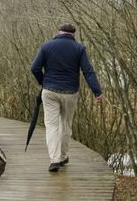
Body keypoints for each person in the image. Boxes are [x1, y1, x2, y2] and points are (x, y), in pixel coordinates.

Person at [30, 23, 103, 172]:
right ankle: (63, 156)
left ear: (58, 31)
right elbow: (88, 71)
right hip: (70, 92)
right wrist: (97, 92)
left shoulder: (46, 46)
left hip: (49, 91)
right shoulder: (79, 49)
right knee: (65, 124)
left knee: (51, 126)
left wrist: (43, 82)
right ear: (73, 34)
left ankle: (55, 159)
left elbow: (34, 68)